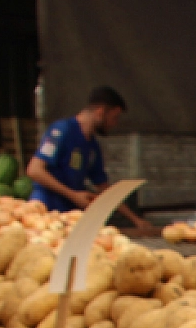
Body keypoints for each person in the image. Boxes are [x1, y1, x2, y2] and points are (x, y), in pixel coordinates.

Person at [25, 85, 152, 234]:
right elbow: (34, 170)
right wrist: (73, 195)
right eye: (114, 118)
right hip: (44, 212)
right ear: (100, 112)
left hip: (69, 218)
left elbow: (105, 189)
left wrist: (135, 219)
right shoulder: (61, 131)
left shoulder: (92, 147)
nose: (115, 124)